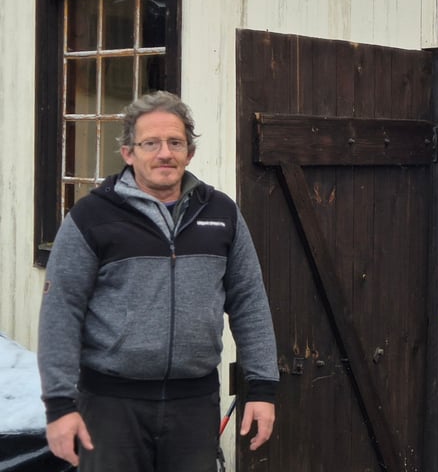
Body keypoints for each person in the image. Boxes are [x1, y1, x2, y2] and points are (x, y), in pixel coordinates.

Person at [37, 90, 279, 472]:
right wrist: (60, 406)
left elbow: (250, 302)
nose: (164, 153)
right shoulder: (91, 217)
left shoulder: (221, 214)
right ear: (128, 152)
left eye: (175, 143)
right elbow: (61, 312)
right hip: (109, 406)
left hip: (194, 404)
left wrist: (263, 388)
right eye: (150, 143)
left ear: (190, 152)